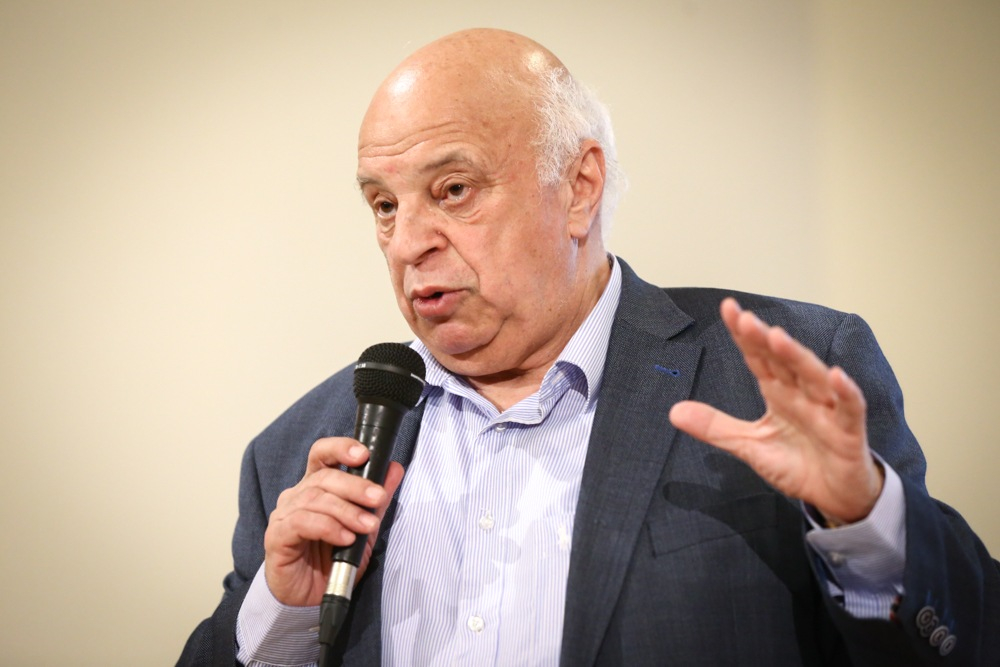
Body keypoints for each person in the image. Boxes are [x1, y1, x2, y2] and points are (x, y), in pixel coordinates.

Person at [179, 28, 999, 666]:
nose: (407, 241)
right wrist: (282, 615)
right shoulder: (298, 451)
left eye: (453, 190)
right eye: (384, 205)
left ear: (579, 187)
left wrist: (864, 521)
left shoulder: (780, 377)